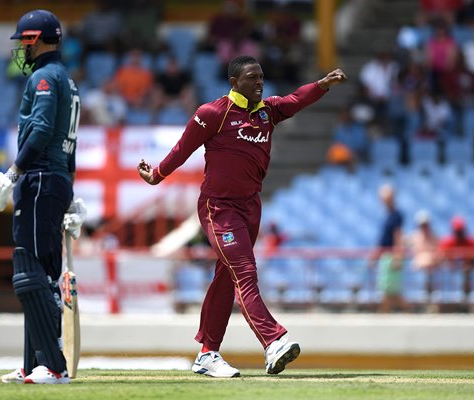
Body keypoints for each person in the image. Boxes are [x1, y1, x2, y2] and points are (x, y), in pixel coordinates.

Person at [137, 55, 347, 377]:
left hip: (251, 207)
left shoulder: (267, 112)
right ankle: (273, 340)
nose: (259, 83)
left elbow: (295, 100)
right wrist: (157, 175)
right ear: (234, 82)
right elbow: (183, 148)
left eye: (261, 77)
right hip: (218, 208)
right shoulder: (213, 114)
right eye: (252, 78)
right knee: (245, 271)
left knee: (227, 277)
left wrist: (322, 85)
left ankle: (207, 354)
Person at [0, 9, 86, 384]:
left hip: (40, 180)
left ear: (34, 40)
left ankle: (54, 367)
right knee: (37, 276)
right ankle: (32, 362)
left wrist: (13, 173)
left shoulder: (44, 77)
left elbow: (41, 129)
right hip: (53, 180)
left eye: (23, 42)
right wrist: (69, 193)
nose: (20, 50)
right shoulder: (67, 81)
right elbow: (69, 145)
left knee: (31, 274)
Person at [369, 184, 406, 313]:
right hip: (385, 255)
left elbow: (398, 236)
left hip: (391, 256)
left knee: (389, 291)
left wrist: (398, 255)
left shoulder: (396, 215)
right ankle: (385, 315)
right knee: (389, 291)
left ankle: (385, 316)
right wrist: (375, 256)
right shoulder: (387, 215)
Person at [439, 216, 474, 299]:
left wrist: (467, 265)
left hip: (466, 271)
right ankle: (448, 298)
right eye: (457, 232)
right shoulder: (447, 243)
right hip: (451, 270)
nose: (459, 234)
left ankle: (467, 295)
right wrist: (450, 264)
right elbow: (441, 259)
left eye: (460, 231)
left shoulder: (471, 242)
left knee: (467, 272)